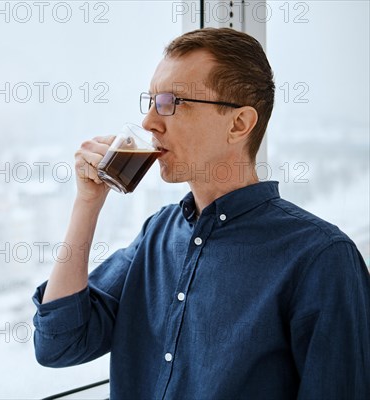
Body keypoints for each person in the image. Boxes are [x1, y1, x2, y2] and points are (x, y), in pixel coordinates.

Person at [31, 28, 370, 399]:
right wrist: (87, 204)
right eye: (150, 102)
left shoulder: (321, 257)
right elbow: (58, 343)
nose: (148, 122)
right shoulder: (157, 233)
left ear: (238, 124)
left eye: (170, 102)